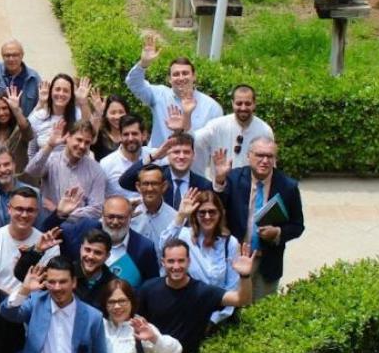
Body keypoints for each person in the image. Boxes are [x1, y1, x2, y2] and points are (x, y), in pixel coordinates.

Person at [212, 137, 305, 301]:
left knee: (263, 312)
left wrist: (277, 232)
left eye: (270, 156)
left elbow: (298, 226)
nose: (265, 161)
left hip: (267, 262)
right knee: (233, 310)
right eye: (260, 155)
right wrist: (220, 180)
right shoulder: (234, 178)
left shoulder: (288, 186)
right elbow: (214, 207)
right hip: (236, 258)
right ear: (249, 156)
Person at [159, 189, 242, 325]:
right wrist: (181, 216)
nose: (207, 216)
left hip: (217, 317)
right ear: (195, 215)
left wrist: (213, 320)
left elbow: (232, 287)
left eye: (212, 212)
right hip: (185, 312)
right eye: (202, 212)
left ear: (220, 213)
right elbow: (163, 246)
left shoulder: (229, 243)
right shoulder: (184, 236)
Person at [125, 34, 223, 148]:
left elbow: (216, 143)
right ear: (169, 79)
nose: (181, 78)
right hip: (160, 162)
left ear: (194, 76)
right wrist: (143, 64)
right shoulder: (159, 95)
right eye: (176, 74)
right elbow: (133, 83)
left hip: (194, 163)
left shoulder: (212, 107)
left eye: (185, 73)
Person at [41, 196, 161, 288]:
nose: (115, 222)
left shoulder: (144, 247)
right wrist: (59, 214)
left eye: (121, 217)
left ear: (131, 217)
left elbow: (152, 287)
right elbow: (46, 233)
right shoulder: (84, 229)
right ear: (102, 215)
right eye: (110, 217)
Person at [0, 187, 60, 293]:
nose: (24, 215)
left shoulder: (49, 245)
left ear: (37, 212)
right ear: (9, 209)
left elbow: (51, 285)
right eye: (19, 209)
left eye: (30, 210)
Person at [15, 228, 118, 307]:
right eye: (87, 250)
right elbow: (22, 274)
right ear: (81, 248)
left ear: (107, 256)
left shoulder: (113, 285)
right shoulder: (62, 272)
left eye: (98, 253)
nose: (90, 256)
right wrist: (37, 251)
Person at [26, 120, 106, 219]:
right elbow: (31, 171)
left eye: (87, 142)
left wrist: (61, 212)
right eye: (79, 140)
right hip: (48, 222)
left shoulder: (96, 170)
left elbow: (96, 209)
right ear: (68, 137)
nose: (82, 146)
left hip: (77, 227)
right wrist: (49, 146)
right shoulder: (52, 160)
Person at [191, 85, 273, 176]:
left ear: (254, 104)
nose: (243, 108)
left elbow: (270, 165)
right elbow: (193, 140)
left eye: (248, 104)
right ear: (232, 103)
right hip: (219, 186)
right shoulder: (216, 126)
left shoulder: (264, 131)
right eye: (239, 103)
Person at [118, 132, 213, 210]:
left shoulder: (204, 185)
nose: (181, 156)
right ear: (167, 154)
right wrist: (153, 156)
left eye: (186, 152)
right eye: (176, 152)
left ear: (193, 156)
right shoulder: (156, 178)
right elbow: (125, 181)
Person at [0, 87, 35, 180]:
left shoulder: (19, 131)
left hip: (17, 185)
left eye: (5, 108)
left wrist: (16, 109)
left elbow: (28, 133)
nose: (1, 112)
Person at [100, 114, 152, 200]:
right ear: (120, 136)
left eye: (134, 134)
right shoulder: (106, 164)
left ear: (144, 135)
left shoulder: (155, 156)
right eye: (126, 134)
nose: (130, 138)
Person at [27, 74, 80, 149]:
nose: (61, 94)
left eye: (66, 91)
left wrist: (84, 103)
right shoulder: (39, 116)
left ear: (71, 95)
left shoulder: (78, 115)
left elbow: (92, 138)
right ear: (51, 91)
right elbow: (31, 150)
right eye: (57, 89)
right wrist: (41, 102)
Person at [130, 165, 178, 246]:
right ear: (138, 186)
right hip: (127, 258)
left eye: (154, 183)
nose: (150, 189)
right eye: (145, 184)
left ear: (164, 186)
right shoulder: (127, 210)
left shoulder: (174, 218)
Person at [88, 92, 132, 161]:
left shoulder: (133, 135)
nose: (117, 117)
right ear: (106, 114)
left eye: (121, 112)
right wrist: (98, 113)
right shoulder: (100, 135)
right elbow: (91, 140)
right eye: (113, 113)